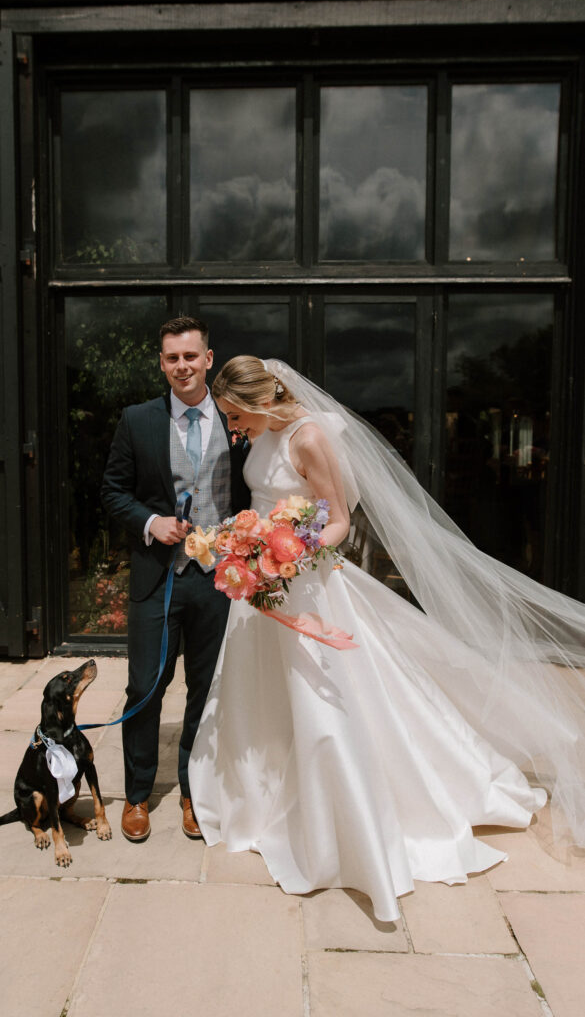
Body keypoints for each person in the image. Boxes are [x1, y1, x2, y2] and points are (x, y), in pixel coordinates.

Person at [188, 356, 585, 923]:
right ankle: (257, 800)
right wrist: (244, 545)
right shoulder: (262, 433)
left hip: (301, 585)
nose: (234, 428)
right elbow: (262, 505)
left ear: (260, 401)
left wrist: (289, 555)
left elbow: (338, 521)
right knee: (259, 698)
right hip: (259, 587)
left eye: (236, 416)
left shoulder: (309, 435)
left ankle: (338, 823)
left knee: (324, 705)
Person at [101, 317, 249, 843]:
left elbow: (252, 495)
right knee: (145, 686)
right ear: (162, 363)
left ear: (209, 359)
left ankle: (193, 790)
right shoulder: (137, 420)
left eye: (190, 356)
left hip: (220, 580)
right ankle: (138, 794)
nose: (181, 366)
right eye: (171, 358)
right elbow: (113, 490)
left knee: (206, 691)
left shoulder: (239, 418)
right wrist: (150, 521)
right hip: (158, 576)